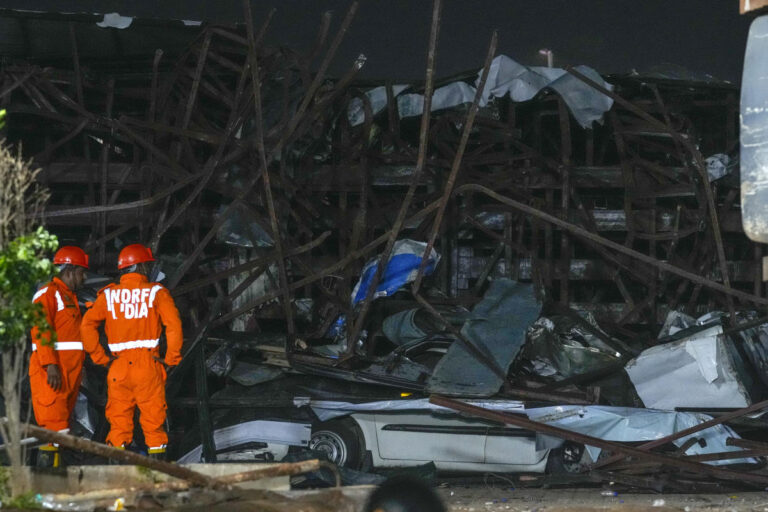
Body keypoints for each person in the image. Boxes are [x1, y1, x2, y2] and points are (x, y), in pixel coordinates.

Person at [81, 244, 183, 460]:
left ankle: (117, 483)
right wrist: (171, 359)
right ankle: (157, 481)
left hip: (118, 368)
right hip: (148, 365)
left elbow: (87, 326)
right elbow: (173, 325)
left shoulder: (108, 295)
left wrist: (101, 358)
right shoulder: (156, 292)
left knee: (118, 426)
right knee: (154, 427)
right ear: (140, 267)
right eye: (147, 265)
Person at [29, 246, 90, 468]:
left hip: (67, 374)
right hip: (53, 373)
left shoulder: (69, 297)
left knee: (60, 429)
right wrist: (50, 364)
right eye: (82, 272)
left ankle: (53, 485)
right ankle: (47, 489)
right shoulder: (48, 293)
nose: (84, 279)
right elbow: (40, 328)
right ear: (70, 270)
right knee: (52, 428)